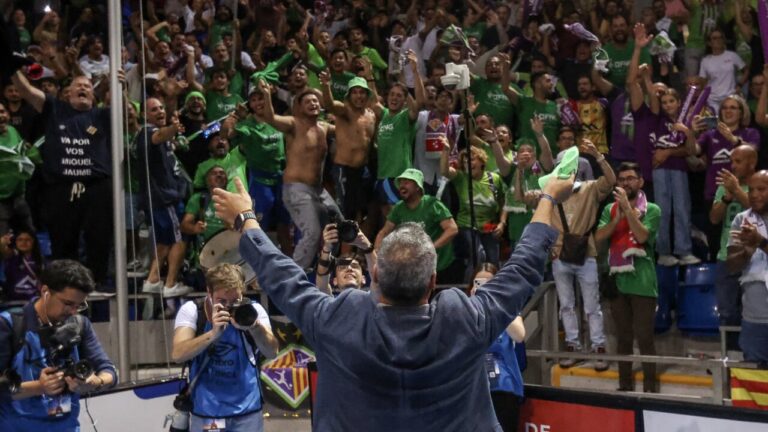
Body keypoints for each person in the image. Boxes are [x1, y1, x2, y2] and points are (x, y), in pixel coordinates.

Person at [211, 167, 574, 430]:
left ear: (377, 276)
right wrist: (547, 199)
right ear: (433, 281)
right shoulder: (463, 319)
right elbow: (525, 267)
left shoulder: (341, 318)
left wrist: (246, 219)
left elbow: (282, 276)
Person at [11, 70, 114, 287]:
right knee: (63, 240)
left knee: (99, 238)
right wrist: (12, 66)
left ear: (94, 95)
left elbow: (123, 108)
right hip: (61, 187)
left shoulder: (102, 115)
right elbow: (25, 90)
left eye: (87, 85)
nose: (83, 88)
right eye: (78, 85)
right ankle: (65, 286)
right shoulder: (54, 109)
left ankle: (97, 283)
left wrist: (119, 84)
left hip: (96, 186)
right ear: (67, 93)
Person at [0, 259, 117, 431]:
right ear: (45, 291)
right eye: (68, 303)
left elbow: (110, 371)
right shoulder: (9, 325)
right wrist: (39, 387)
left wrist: (95, 382)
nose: (73, 311)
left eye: (80, 305)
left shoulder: (80, 324)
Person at [171, 263, 279, 432]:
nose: (228, 307)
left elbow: (272, 352)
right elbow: (178, 354)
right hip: (208, 412)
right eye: (221, 301)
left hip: (247, 412)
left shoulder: (253, 311)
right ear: (209, 292)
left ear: (242, 293)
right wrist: (212, 335)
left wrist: (254, 326)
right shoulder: (193, 310)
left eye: (235, 301)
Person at [258, 78, 340, 271]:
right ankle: (294, 276)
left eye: (315, 101)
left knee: (339, 225)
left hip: (318, 191)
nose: (313, 104)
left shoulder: (325, 127)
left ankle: (326, 265)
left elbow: (348, 130)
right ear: (299, 107)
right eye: (307, 102)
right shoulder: (293, 124)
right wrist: (267, 95)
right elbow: (271, 118)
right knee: (312, 232)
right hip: (296, 189)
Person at [547, 140, 614, 371]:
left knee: (591, 306)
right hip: (559, 255)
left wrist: (598, 155)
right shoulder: (552, 192)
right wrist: (522, 171)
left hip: (587, 253)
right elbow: (524, 197)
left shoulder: (590, 188)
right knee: (566, 305)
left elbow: (611, 181)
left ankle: (598, 347)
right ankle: (573, 345)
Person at [596, 162, 661, 392]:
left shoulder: (652, 209)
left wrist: (628, 210)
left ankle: (651, 389)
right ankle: (625, 387)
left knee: (644, 338)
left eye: (631, 178)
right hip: (618, 283)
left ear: (640, 182)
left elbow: (642, 236)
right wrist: (618, 216)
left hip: (643, 282)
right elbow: (599, 237)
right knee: (623, 339)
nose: (626, 182)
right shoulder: (608, 210)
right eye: (622, 179)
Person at [137, 97, 192, 297]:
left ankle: (152, 280)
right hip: (165, 198)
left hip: (159, 199)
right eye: (153, 109)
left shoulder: (159, 136)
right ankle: (170, 284)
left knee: (163, 242)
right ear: (144, 115)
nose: (159, 111)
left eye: (161, 107)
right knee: (180, 238)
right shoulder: (147, 132)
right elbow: (160, 135)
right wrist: (173, 129)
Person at [374, 168, 459, 282]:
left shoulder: (433, 204)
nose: (401, 186)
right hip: (415, 268)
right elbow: (384, 232)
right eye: (400, 183)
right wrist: (377, 255)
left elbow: (452, 229)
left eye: (406, 182)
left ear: (418, 187)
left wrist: (431, 248)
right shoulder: (399, 208)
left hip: (441, 266)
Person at [469, 263, 525, 432]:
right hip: (473, 390)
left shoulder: (508, 307)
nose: (484, 287)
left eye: (490, 283)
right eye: (479, 283)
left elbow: (519, 335)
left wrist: (497, 303)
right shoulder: (463, 309)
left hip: (503, 388)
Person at [709, 145, 756, 348]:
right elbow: (713, 218)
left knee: (755, 310)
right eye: (732, 161)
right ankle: (732, 356)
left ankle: (753, 354)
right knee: (727, 312)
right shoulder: (724, 187)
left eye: (738, 161)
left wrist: (737, 190)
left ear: (752, 163)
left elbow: (760, 211)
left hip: (756, 259)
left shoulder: (761, 185)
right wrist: (728, 196)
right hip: (726, 257)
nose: (733, 166)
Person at [319, 65, 377, 222]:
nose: (359, 96)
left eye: (362, 92)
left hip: (363, 170)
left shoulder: (371, 115)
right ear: (349, 95)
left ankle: (357, 246)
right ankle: (335, 246)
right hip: (343, 170)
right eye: (355, 92)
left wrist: (370, 76)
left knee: (363, 213)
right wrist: (326, 85)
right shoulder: (344, 111)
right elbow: (330, 104)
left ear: (367, 95)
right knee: (344, 214)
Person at [726, 171, 768, 364]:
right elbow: (732, 266)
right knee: (755, 383)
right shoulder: (741, 220)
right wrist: (746, 253)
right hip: (754, 318)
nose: (754, 195)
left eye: (761, 189)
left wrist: (761, 242)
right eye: (751, 190)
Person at [316, 223, 376, 296]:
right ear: (335, 281)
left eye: (354, 266)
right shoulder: (331, 303)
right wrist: (327, 249)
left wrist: (366, 246)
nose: (349, 268)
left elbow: (379, 281)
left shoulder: (373, 299)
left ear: (364, 279)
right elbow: (321, 286)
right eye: (342, 267)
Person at [1, 230, 45, 302]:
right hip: (13, 301)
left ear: (33, 241)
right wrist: (7, 242)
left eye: (27, 240)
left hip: (35, 301)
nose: (23, 242)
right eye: (20, 240)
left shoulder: (41, 261)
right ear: (15, 242)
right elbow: (3, 249)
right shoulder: (11, 258)